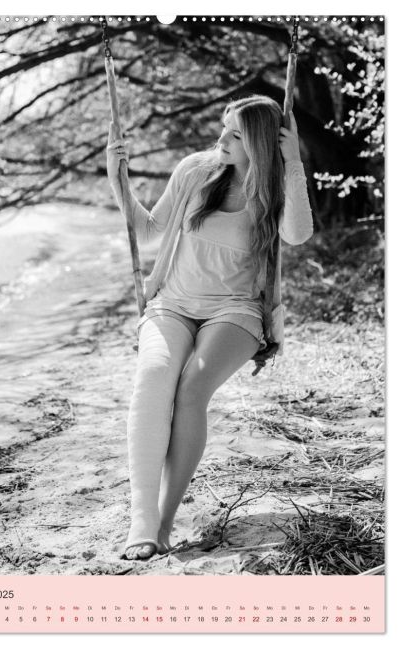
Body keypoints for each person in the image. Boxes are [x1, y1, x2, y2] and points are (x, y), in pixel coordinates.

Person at [106, 95, 313, 561]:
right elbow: (148, 229)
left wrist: (294, 161)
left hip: (235, 311)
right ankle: (141, 518)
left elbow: (298, 234)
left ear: (259, 144)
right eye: (223, 127)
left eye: (235, 134)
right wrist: (117, 178)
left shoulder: (274, 188)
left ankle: (163, 521)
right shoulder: (195, 171)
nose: (221, 139)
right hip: (173, 303)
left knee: (191, 390)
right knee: (153, 380)